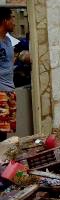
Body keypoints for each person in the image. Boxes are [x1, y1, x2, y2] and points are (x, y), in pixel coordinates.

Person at [0, 8, 17, 140]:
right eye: (12, 18)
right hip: (0, 91)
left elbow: (8, 62)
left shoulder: (8, 41)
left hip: (9, 89)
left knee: (5, 131)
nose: (14, 22)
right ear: (5, 21)